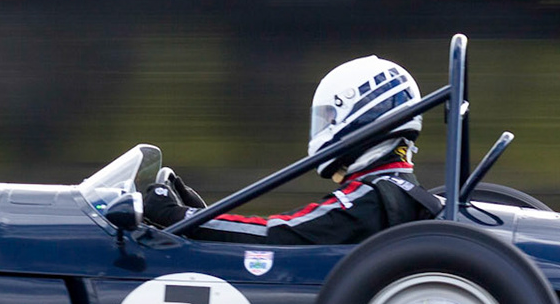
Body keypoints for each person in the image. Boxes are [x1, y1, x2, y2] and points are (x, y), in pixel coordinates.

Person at [144, 56, 439, 244]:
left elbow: (277, 233)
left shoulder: (366, 199)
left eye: (329, 117)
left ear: (362, 113)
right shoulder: (400, 191)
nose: (323, 127)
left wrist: (178, 216)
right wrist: (202, 215)